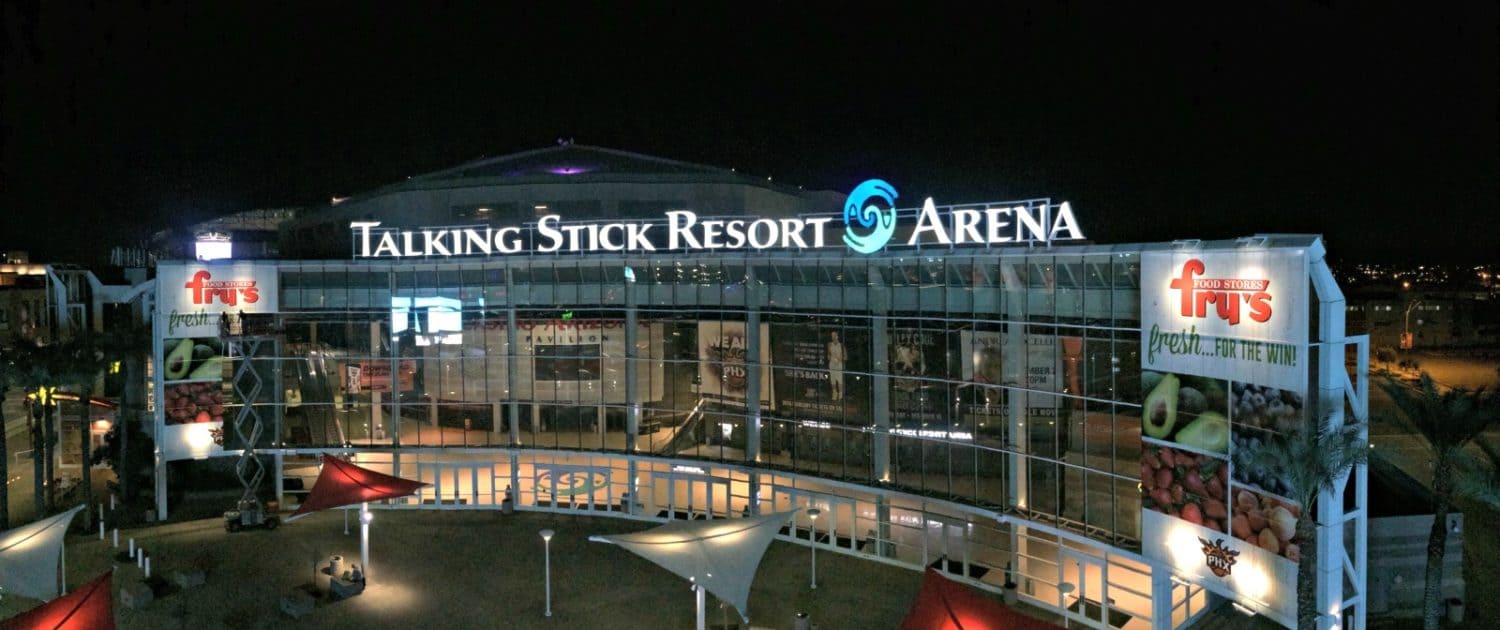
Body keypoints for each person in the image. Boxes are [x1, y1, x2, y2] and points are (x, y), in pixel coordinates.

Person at [826, 331, 846, 401]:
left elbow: (846, 357)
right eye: (832, 335)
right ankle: (834, 393)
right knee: (833, 380)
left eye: (834, 335)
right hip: (832, 364)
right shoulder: (829, 344)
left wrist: (840, 358)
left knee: (839, 380)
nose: (833, 337)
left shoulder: (841, 345)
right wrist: (829, 356)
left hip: (839, 365)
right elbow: (828, 355)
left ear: (837, 336)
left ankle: (840, 395)